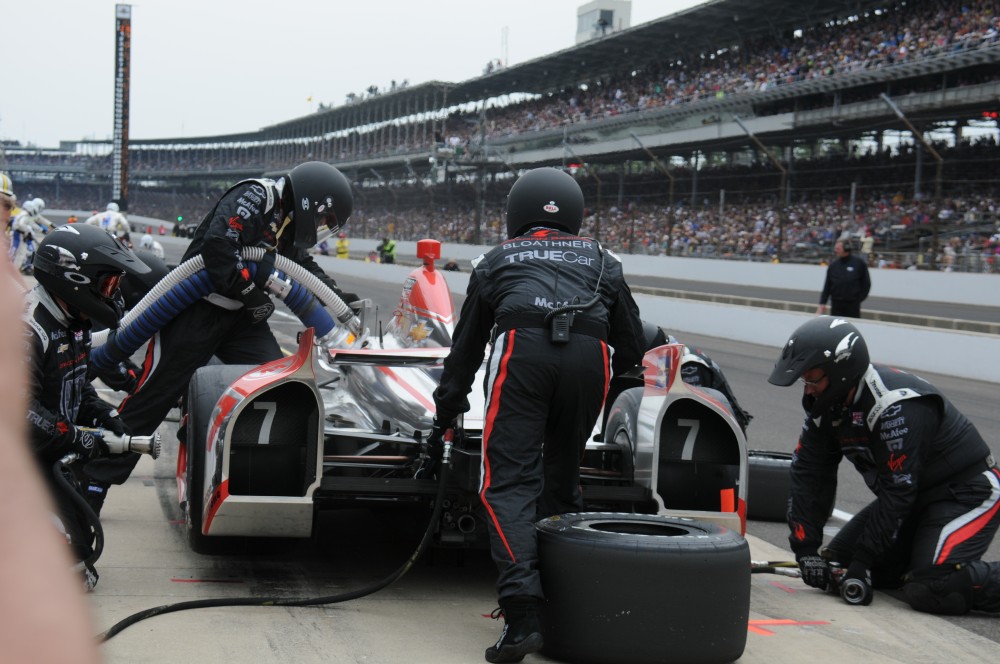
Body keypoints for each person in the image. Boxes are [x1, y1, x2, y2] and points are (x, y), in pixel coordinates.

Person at [431, 167, 646, 663]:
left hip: (522, 353)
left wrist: (448, 408)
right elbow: (632, 347)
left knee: (507, 485)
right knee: (562, 479)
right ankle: (566, 605)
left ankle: (522, 616)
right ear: (574, 214)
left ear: (516, 214)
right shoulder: (603, 258)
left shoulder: (495, 259)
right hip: (591, 358)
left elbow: (464, 353)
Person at [82, 161, 359, 510]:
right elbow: (218, 245)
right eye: (324, 220)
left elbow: (302, 267)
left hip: (240, 318)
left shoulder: (285, 221)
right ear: (311, 202)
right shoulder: (257, 195)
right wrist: (248, 292)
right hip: (194, 310)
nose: (321, 228)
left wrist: (336, 297)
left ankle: (227, 458)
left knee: (277, 381)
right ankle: (92, 482)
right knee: (150, 402)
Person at [768, 316, 1000, 615]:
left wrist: (865, 561)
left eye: (813, 379)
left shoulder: (894, 404)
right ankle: (912, 563)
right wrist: (806, 550)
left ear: (841, 370)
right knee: (836, 565)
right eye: (804, 381)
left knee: (933, 588)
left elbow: (898, 492)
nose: (808, 390)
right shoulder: (825, 411)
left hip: (965, 493)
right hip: (912, 497)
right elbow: (809, 476)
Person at [25, 223, 151, 590]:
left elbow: (72, 388)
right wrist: (74, 437)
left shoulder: (72, 321)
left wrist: (101, 412)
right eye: (108, 283)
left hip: (43, 454)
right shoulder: (27, 328)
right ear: (75, 278)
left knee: (80, 549)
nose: (113, 294)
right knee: (68, 566)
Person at [817, 239, 870, 318]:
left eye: (838, 248)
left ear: (847, 248)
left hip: (853, 304)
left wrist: (858, 299)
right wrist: (822, 303)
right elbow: (827, 285)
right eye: (836, 248)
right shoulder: (833, 265)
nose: (836, 250)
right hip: (836, 303)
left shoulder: (859, 263)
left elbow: (866, 284)